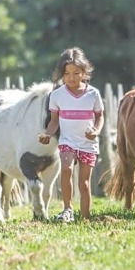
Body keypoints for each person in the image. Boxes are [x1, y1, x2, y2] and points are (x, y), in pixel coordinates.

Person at [38, 47, 105, 222]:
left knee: (84, 183)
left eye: (76, 73)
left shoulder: (93, 94)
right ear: (62, 74)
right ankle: (67, 209)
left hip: (88, 144)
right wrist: (48, 134)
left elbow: (100, 116)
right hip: (67, 141)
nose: (71, 78)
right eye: (67, 74)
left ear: (84, 72)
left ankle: (85, 218)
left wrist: (96, 131)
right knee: (66, 169)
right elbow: (54, 121)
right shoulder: (57, 95)